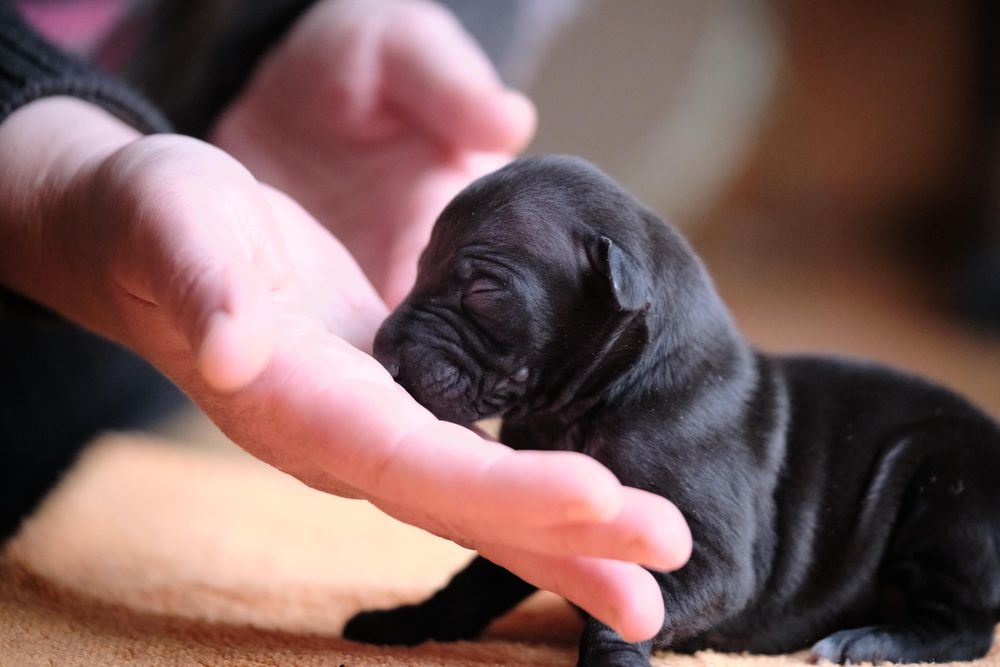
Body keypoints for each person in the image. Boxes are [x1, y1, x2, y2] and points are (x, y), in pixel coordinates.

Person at [0, 0, 692, 642]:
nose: (392, 339)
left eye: (482, 300)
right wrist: (53, 161)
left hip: (175, 305)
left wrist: (396, 18)